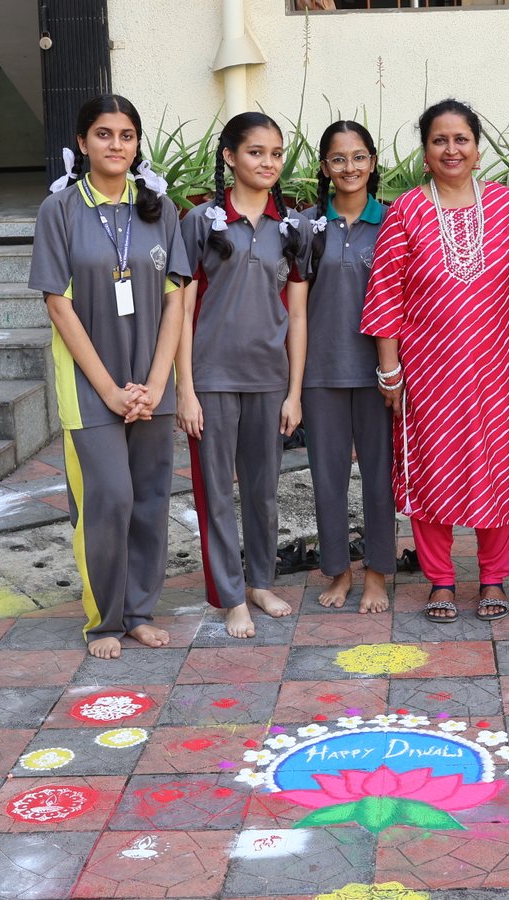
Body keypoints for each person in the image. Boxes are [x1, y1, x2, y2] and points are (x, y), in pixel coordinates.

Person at [362, 98, 509, 624]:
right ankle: (440, 579)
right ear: (425, 152)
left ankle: (493, 577)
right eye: (439, 140)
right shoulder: (406, 210)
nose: (451, 149)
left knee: (497, 469)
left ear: (477, 149)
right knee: (432, 470)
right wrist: (390, 369)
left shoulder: (507, 206)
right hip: (428, 371)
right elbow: (386, 293)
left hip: (494, 367)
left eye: (460, 139)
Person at [29, 94, 192, 659]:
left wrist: (156, 383)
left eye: (126, 135)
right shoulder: (60, 211)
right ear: (82, 142)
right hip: (90, 388)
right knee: (110, 499)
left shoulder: (159, 209)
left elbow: (176, 301)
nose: (115, 145)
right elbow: (58, 305)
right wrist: (109, 391)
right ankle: (105, 621)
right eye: (103, 134)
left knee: (149, 499)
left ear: (137, 144)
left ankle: (140, 613)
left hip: (151, 385)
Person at [178, 112, 310, 639]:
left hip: (269, 378)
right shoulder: (201, 222)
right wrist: (185, 390)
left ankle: (259, 582)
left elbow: (298, 314)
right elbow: (182, 309)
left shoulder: (293, 227)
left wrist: (294, 392)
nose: (268, 162)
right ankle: (230, 596)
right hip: (210, 378)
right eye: (256, 152)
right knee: (216, 492)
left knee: (263, 491)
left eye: (276, 153)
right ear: (230, 157)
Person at [300, 121, 395, 614]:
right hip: (320, 372)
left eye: (359, 157)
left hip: (380, 373)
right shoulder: (305, 226)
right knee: (327, 478)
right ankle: (339, 570)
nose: (350, 167)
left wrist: (396, 369)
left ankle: (377, 573)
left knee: (380, 477)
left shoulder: (395, 222)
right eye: (338, 159)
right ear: (324, 168)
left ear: (372, 162)